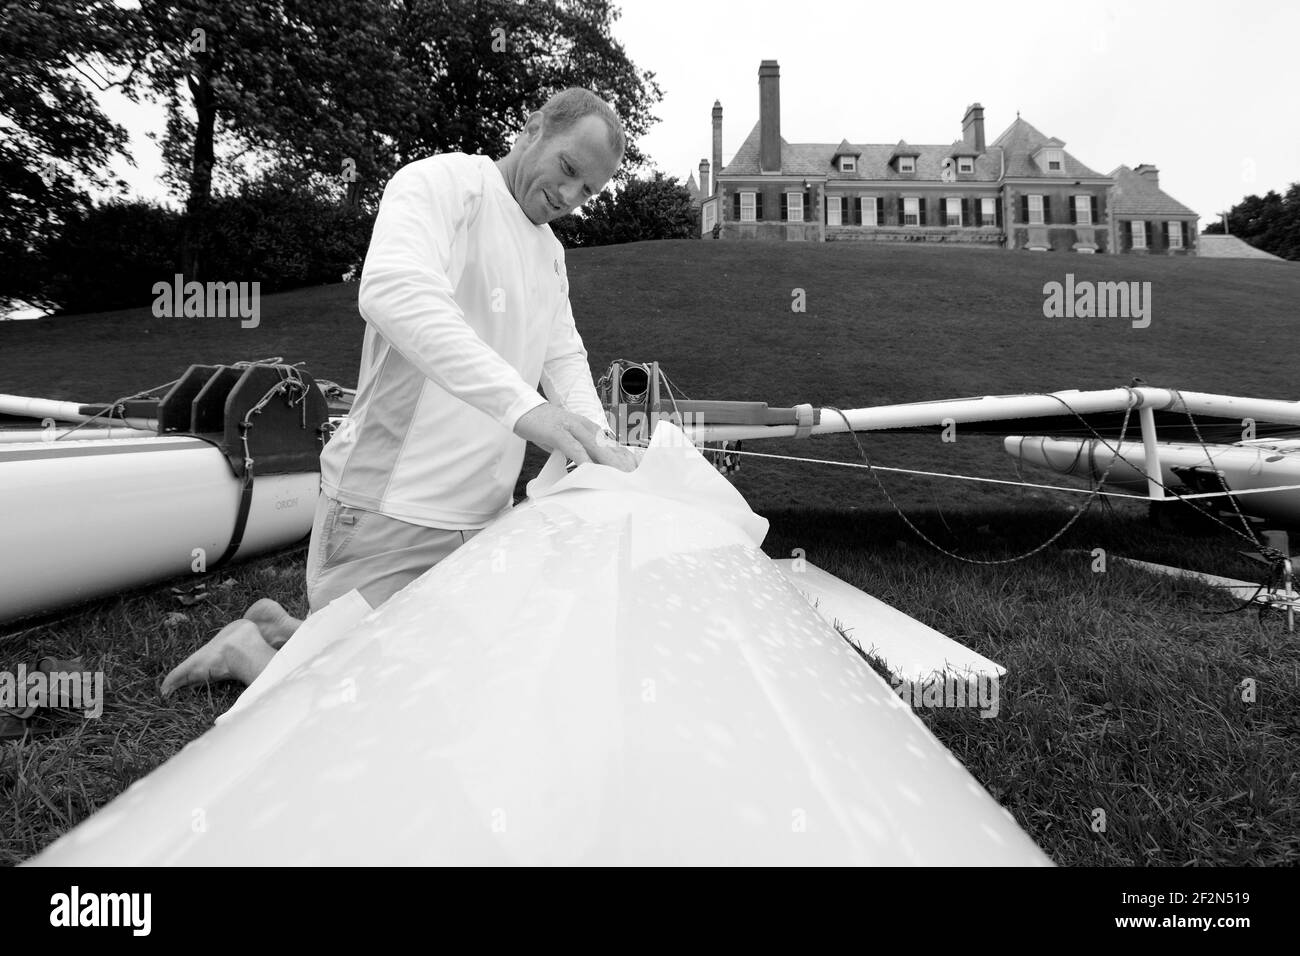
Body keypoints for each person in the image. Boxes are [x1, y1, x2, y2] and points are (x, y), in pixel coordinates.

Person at [162, 88, 635, 697]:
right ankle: (249, 649)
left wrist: (594, 446)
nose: (571, 197)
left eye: (589, 191)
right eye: (569, 170)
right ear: (535, 128)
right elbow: (393, 292)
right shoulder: (444, 185)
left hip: (480, 521)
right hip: (388, 508)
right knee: (370, 713)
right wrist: (526, 410)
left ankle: (290, 633)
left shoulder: (550, 254)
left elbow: (563, 355)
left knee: (448, 691)